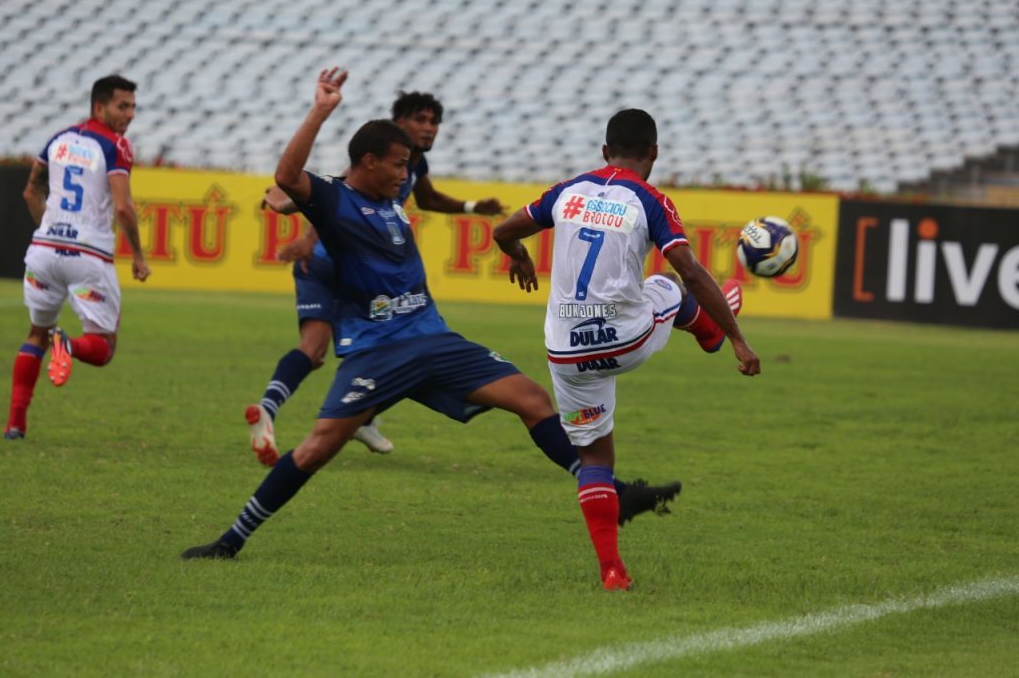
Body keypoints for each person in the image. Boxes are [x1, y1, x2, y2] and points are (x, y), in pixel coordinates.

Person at [182, 67, 679, 562]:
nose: (405, 174)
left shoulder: (389, 196)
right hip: (378, 353)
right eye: (398, 164)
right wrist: (321, 110)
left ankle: (610, 493)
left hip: (433, 340)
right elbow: (287, 179)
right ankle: (231, 540)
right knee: (316, 449)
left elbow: (423, 195)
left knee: (531, 399)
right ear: (369, 161)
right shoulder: (336, 198)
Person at [492, 108, 761, 590]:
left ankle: (612, 570)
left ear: (603, 151)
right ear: (654, 154)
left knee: (594, 460)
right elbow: (694, 272)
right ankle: (713, 334)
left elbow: (502, 232)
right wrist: (739, 340)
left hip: (566, 350)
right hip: (623, 337)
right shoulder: (650, 199)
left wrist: (520, 255)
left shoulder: (567, 191)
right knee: (669, 284)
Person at [247, 92, 506, 464]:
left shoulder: (413, 166)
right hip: (332, 263)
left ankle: (281, 410)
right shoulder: (379, 159)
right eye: (420, 119)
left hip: (357, 269)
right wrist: (304, 231)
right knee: (393, 342)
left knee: (332, 348)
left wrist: (470, 207)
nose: (429, 128)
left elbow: (428, 199)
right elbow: (337, 198)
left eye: (434, 122)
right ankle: (349, 417)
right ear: (399, 124)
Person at [3, 75, 150, 440]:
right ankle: (67, 344)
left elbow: (30, 192)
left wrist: (51, 230)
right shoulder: (115, 146)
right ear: (99, 106)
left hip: (44, 254)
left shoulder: (58, 139)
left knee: (36, 334)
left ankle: (15, 424)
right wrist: (139, 256)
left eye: (133, 106)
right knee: (103, 348)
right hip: (88, 258)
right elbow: (124, 208)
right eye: (122, 106)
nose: (130, 115)